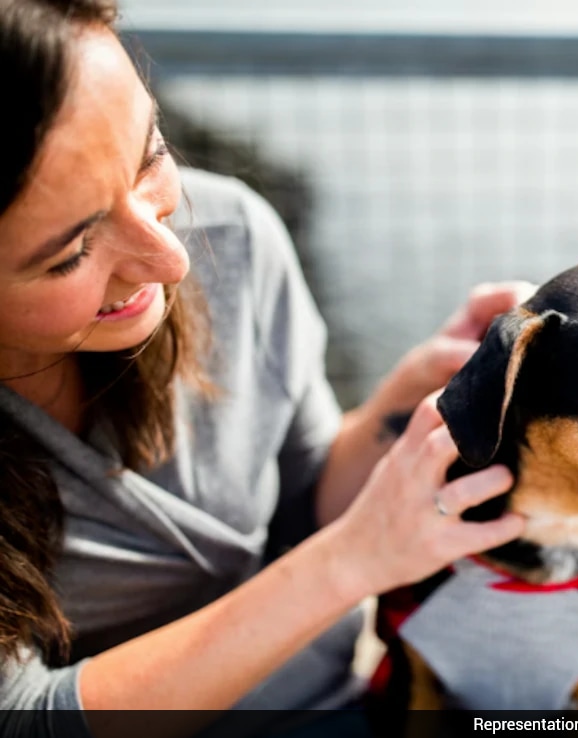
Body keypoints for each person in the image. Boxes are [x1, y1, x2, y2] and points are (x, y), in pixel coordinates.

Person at [0, 1, 529, 736]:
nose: (173, 261)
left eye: (151, 155)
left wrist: (403, 407)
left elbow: (302, 497)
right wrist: (349, 565)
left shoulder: (235, 236)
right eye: (69, 254)